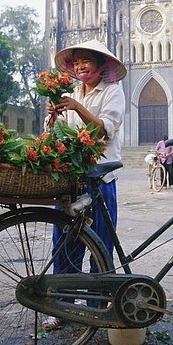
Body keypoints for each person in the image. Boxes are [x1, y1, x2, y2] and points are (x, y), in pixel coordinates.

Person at [46, 38, 126, 296]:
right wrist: (55, 117)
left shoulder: (113, 91)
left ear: (101, 65)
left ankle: (98, 306)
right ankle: (62, 304)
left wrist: (78, 108)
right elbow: (58, 135)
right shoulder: (70, 95)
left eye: (86, 60)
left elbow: (103, 130)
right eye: (77, 61)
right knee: (64, 243)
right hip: (72, 179)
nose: (80, 66)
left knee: (100, 245)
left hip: (100, 180)